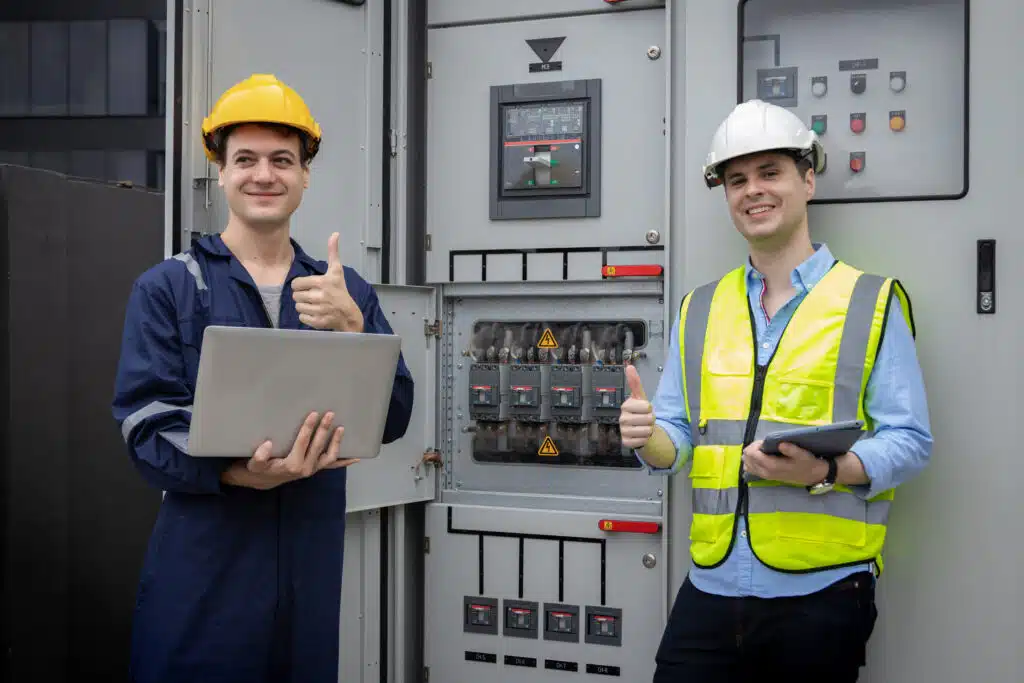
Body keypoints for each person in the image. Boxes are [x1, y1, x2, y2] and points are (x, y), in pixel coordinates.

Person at [111, 73, 414, 683]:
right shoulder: (170, 286)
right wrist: (234, 471)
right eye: (244, 159)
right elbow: (144, 426)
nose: (264, 174)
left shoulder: (344, 290)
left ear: (305, 175)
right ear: (220, 173)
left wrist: (355, 330)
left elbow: (395, 415)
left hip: (308, 563)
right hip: (206, 564)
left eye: (283, 159)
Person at [619, 99, 932, 682]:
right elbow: (678, 438)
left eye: (770, 173)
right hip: (710, 588)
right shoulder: (700, 307)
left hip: (823, 593)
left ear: (807, 179)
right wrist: (648, 439)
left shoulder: (871, 301)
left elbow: (910, 441)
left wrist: (825, 473)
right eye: (737, 179)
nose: (752, 191)